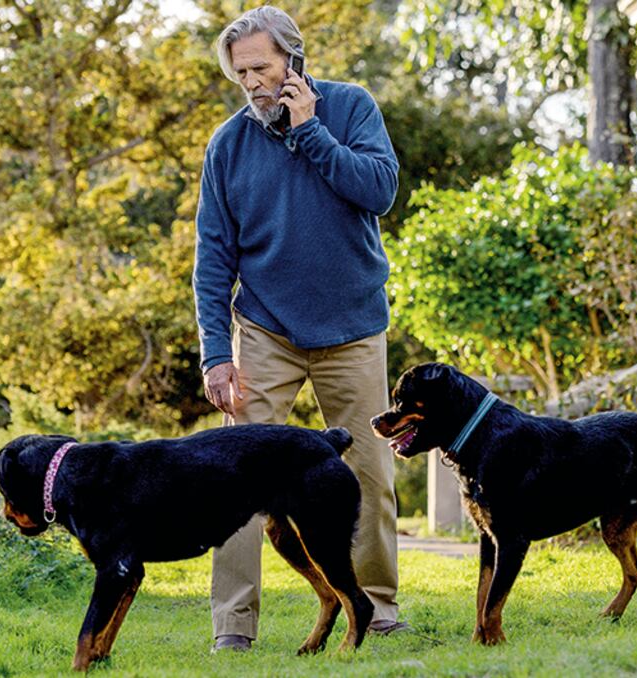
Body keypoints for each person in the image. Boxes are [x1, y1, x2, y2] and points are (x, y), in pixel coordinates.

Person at [192, 5, 406, 653]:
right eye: (241, 73)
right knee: (235, 477)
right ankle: (234, 625)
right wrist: (214, 354)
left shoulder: (350, 107)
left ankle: (378, 606)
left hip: (352, 327)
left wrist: (310, 130)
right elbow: (213, 258)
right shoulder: (228, 145)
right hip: (265, 331)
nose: (252, 82)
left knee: (369, 471)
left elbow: (378, 191)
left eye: (261, 67)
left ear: (293, 61)